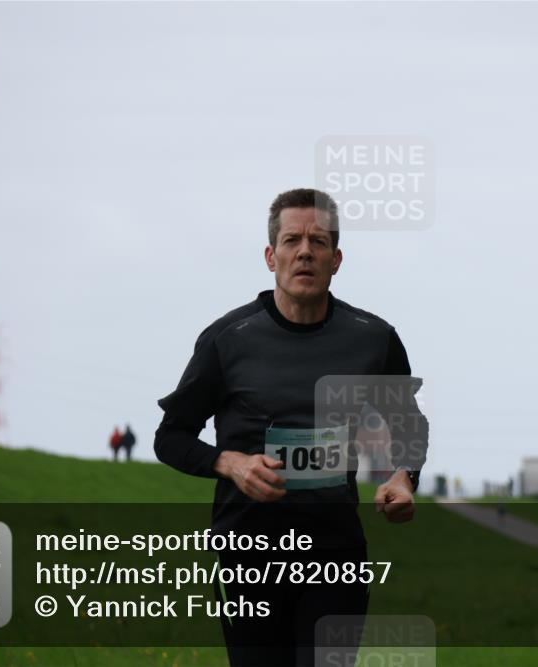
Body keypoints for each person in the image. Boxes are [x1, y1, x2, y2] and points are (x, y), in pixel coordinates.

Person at [154, 188, 428, 667]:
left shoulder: (372, 338)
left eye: (318, 242)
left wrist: (405, 475)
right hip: (249, 556)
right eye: (292, 240)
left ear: (336, 259)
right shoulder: (227, 339)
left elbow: (408, 422)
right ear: (270, 255)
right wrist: (230, 462)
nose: (305, 251)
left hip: (336, 555)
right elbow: (170, 437)